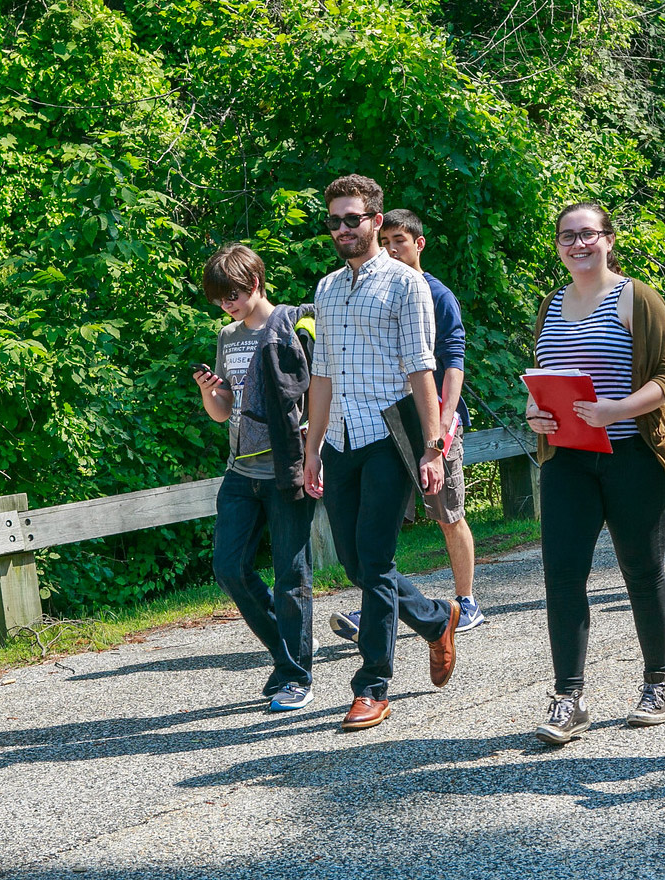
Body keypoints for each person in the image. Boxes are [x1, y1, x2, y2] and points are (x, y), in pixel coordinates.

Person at [303, 174, 460, 732]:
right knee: (354, 560)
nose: (343, 229)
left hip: (389, 435)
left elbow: (423, 370)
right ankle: (435, 617)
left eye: (353, 219)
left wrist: (434, 446)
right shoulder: (325, 289)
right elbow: (321, 374)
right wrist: (313, 446)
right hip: (340, 437)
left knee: (374, 556)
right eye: (334, 221)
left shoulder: (405, 284)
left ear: (375, 220)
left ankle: (372, 685)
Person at [525, 202, 665, 745]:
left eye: (588, 234)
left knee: (642, 569)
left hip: (633, 455)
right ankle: (569, 697)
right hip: (566, 459)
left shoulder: (637, 297)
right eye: (568, 236)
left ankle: (657, 683)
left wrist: (619, 409)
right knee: (563, 576)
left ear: (609, 240)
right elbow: (545, 378)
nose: (578, 244)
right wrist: (534, 412)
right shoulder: (551, 302)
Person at [328, 208, 485, 642]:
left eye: (402, 241)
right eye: (389, 240)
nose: (394, 248)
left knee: (447, 512)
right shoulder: (362, 289)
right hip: (382, 425)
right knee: (374, 531)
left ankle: (465, 601)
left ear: (419, 244)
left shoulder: (435, 293)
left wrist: (445, 422)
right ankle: (382, 607)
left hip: (431, 421)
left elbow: (452, 361)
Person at [193, 243, 317, 711]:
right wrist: (211, 392)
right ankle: (289, 653)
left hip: (285, 466)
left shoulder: (291, 323)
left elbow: (317, 391)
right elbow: (223, 413)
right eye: (220, 297)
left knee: (292, 574)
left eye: (235, 293)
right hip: (241, 470)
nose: (228, 303)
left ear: (256, 282)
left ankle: (294, 674)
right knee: (228, 568)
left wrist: (314, 455)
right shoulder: (227, 337)